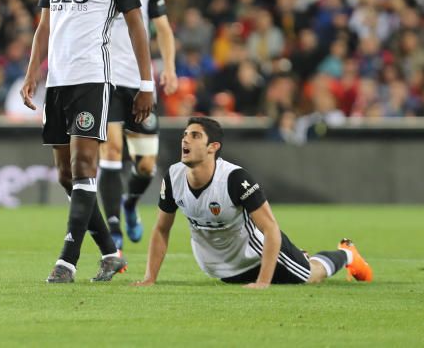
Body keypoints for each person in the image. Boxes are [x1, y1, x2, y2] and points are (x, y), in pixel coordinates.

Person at [20, 0, 154, 283]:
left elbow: (136, 28)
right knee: (66, 176)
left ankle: (67, 260)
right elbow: (44, 25)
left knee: (82, 169)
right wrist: (32, 72)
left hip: (92, 81)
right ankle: (111, 253)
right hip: (57, 83)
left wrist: (146, 85)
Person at [134, 117, 373, 288]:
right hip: (221, 268)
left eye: (195, 136)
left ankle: (347, 255)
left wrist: (262, 283)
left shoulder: (234, 179)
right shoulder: (173, 176)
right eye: (185, 135)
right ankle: (297, 256)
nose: (185, 140)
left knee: (309, 275)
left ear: (212, 147)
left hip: (255, 255)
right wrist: (149, 278)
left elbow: (270, 229)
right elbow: (161, 230)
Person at [96, 0, 179, 250]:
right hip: (105, 81)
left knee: (145, 165)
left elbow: (164, 30)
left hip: (140, 84)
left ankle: (130, 204)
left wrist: (169, 67)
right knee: (112, 148)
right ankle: (113, 226)